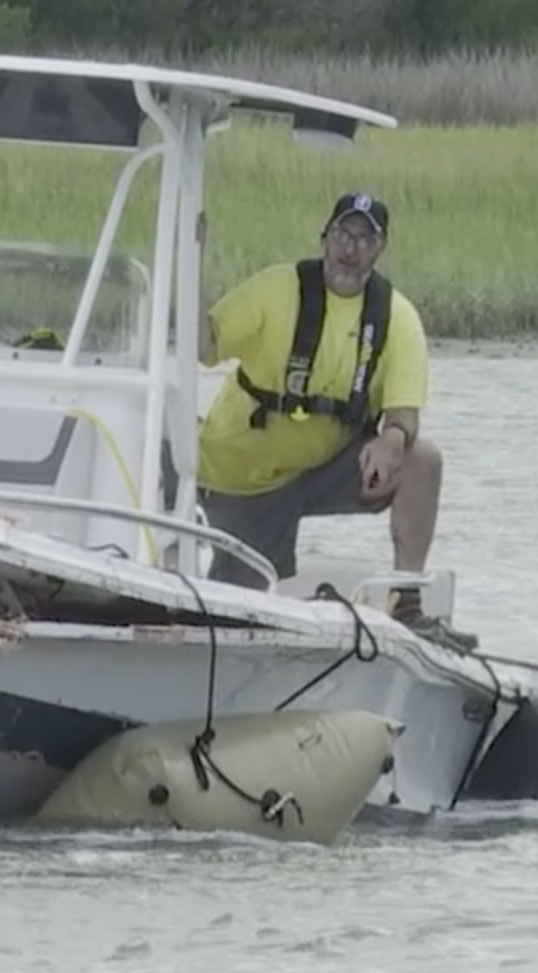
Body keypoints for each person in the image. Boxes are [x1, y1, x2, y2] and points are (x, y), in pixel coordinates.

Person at [192, 191, 476, 651]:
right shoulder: (277, 288)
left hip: (320, 474)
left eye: (366, 238)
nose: (351, 248)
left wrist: (393, 439)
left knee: (421, 459)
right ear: (325, 237)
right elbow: (203, 346)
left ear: (380, 249)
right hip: (237, 476)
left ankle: (407, 604)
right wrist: (192, 259)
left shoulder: (396, 317)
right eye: (344, 233)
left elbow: (404, 413)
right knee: (225, 614)